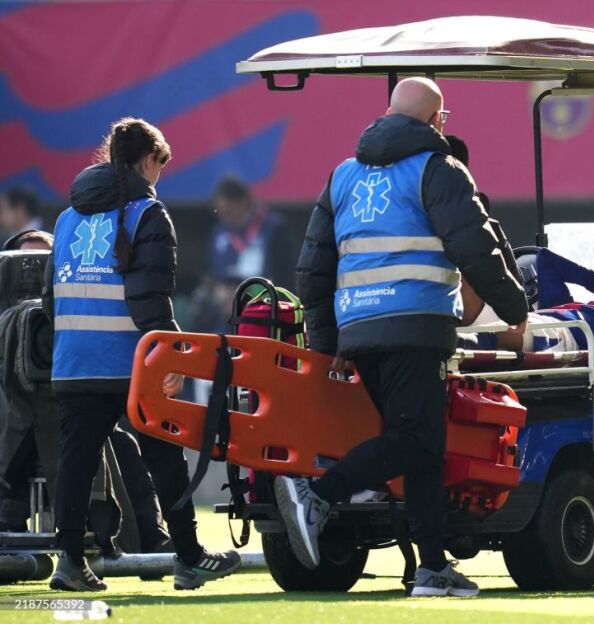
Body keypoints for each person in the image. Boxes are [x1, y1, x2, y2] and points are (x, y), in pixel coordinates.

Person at [281, 77, 528, 597]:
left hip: (359, 329)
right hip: (416, 324)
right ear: (436, 119)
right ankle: (318, 495)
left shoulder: (341, 176)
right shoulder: (439, 169)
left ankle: (432, 568)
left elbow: (312, 269)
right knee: (416, 440)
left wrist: (326, 343)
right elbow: (475, 246)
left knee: (423, 449)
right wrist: (515, 308)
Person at [42, 117, 240, 591]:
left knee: (77, 460)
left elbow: (50, 298)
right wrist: (170, 355)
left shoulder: (67, 219)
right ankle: (189, 558)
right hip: (131, 360)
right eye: (160, 167)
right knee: (164, 456)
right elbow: (150, 296)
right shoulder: (147, 213)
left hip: (74, 360)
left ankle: (69, 562)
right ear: (149, 160)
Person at [462, 246, 594, 352]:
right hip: (536, 318)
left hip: (569, 334)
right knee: (462, 281)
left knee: (517, 328)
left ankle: (462, 343)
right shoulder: (569, 305)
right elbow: (546, 259)